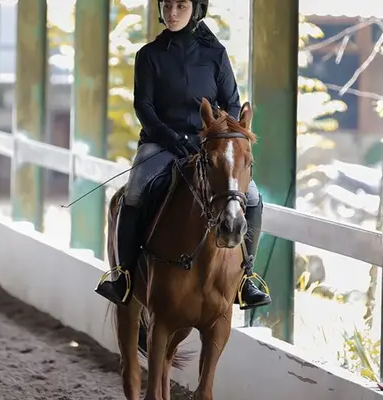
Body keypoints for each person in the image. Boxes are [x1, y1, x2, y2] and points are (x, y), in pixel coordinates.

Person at [94, 0, 271, 310]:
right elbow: (143, 107)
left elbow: (231, 103)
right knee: (134, 193)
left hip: (208, 145)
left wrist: (213, 136)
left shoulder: (215, 55)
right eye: (166, 6)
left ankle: (245, 279)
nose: (172, 13)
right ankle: (122, 276)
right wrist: (172, 139)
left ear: (196, 9)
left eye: (181, 6)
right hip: (161, 143)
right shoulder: (148, 55)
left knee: (252, 197)